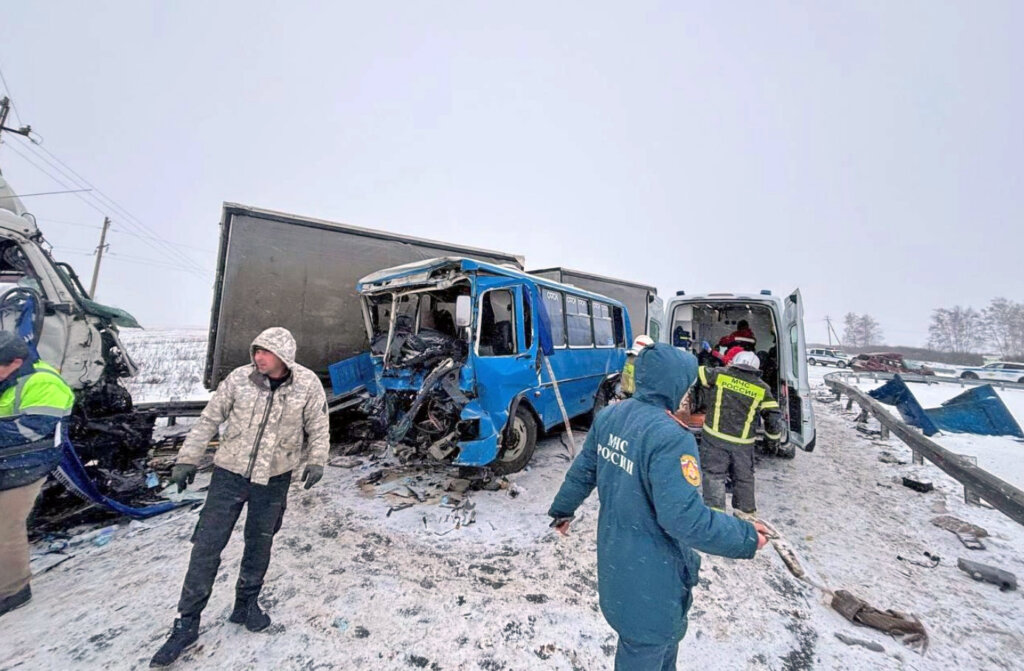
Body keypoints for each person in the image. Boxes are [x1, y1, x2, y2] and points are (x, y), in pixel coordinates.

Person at [547, 343, 767, 670]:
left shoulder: (611, 416)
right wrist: (745, 536)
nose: (689, 394)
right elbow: (684, 519)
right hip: (653, 574)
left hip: (620, 562)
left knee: (656, 646)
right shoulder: (669, 437)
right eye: (687, 386)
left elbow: (584, 469)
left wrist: (562, 510)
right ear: (674, 385)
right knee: (648, 644)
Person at [151, 327, 330, 667]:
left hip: (274, 478)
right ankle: (187, 622)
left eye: (265, 352)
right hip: (228, 475)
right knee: (207, 546)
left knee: (259, 542)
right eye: (256, 351)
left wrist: (317, 460)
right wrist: (188, 458)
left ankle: (246, 603)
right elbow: (209, 419)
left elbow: (319, 427)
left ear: (284, 356)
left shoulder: (306, 384)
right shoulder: (238, 380)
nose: (258, 357)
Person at [0, 331, 74, 618]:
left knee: (6, 525)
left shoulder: (44, 383)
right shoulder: (9, 376)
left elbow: (30, 431)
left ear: (16, 362)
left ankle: (14, 590)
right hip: (7, 459)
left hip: (26, 465)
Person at [694, 351, 782, 516]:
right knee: (743, 481)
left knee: (714, 477)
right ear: (756, 369)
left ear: (734, 363)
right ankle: (745, 520)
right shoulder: (762, 388)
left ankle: (716, 519)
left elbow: (696, 372)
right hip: (742, 446)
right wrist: (772, 442)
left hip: (714, 439)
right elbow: (774, 419)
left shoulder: (719, 374)